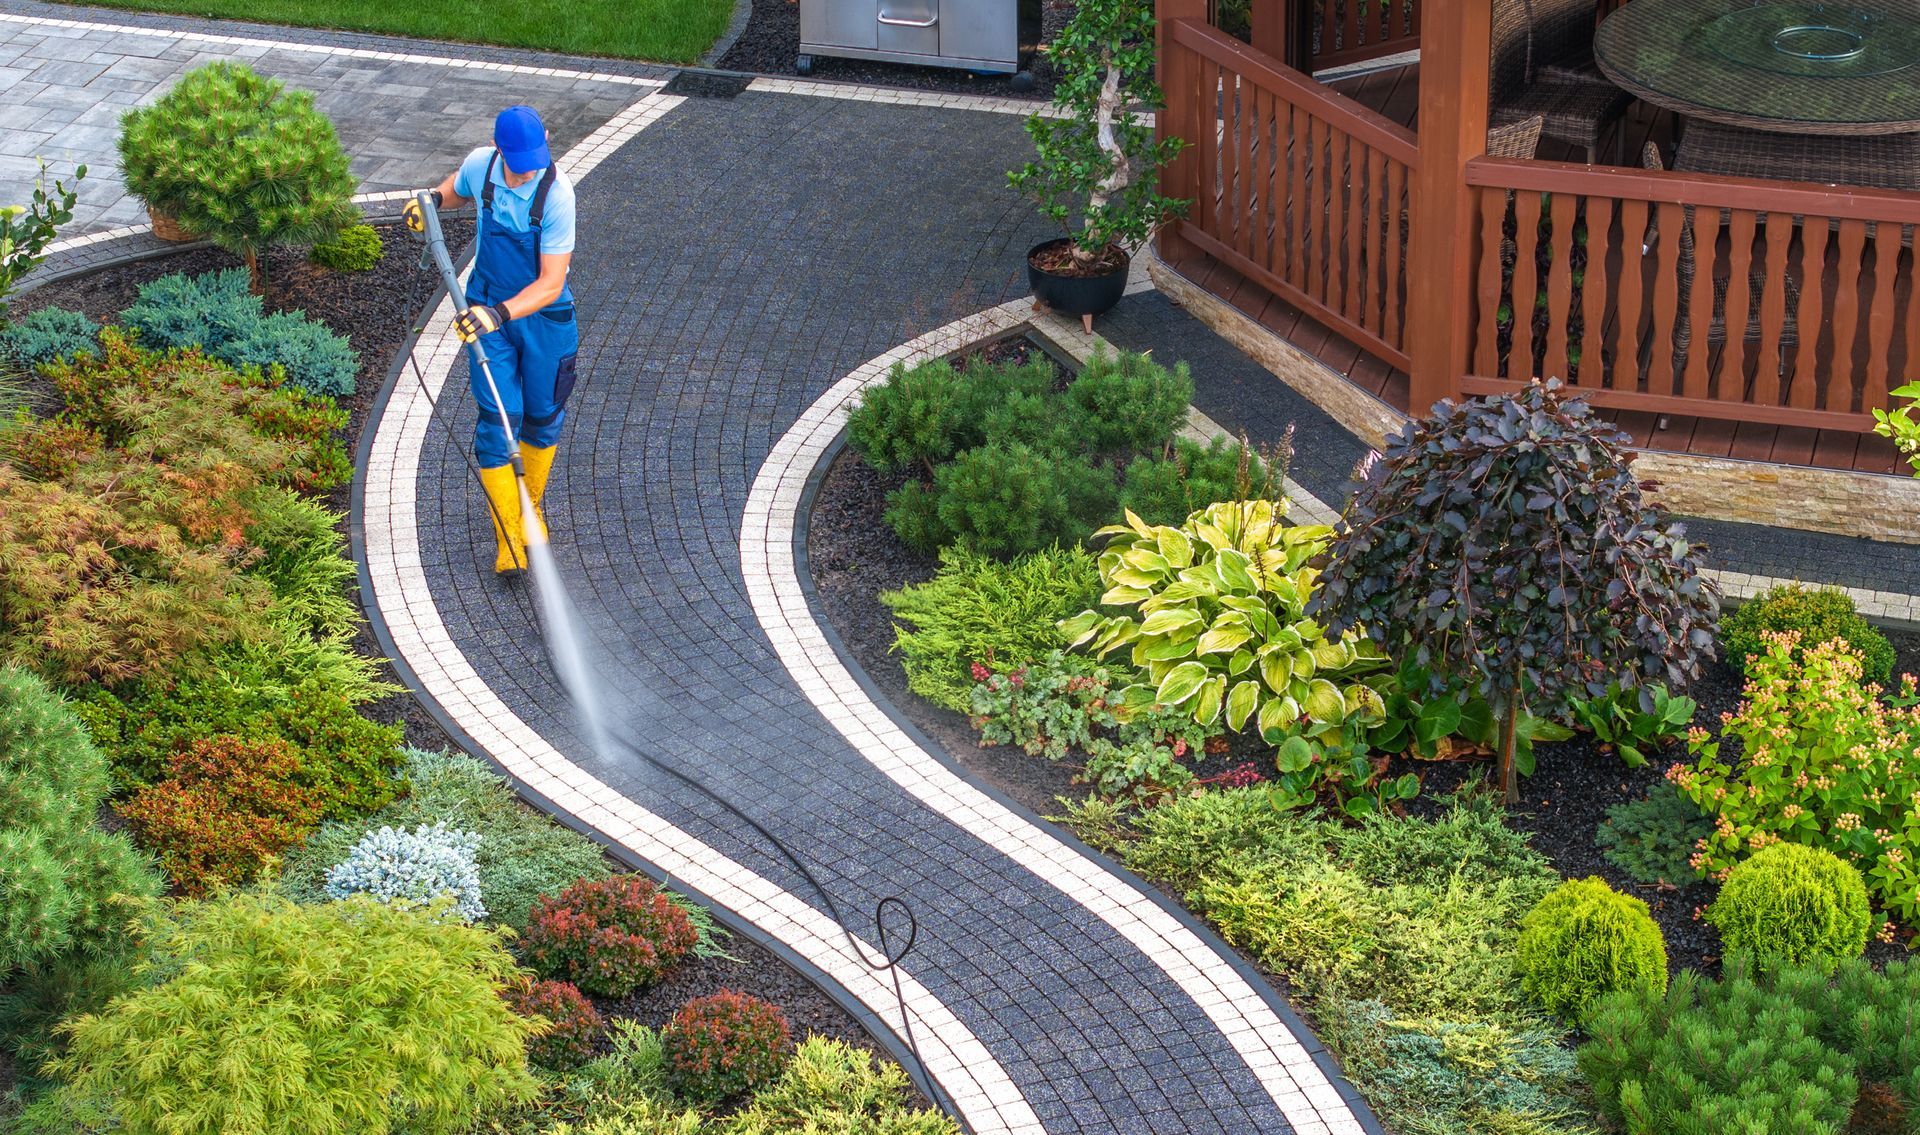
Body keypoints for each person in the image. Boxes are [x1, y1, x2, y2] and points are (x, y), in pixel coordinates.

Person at [404, 105, 578, 577]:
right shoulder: (482, 165)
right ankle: (509, 535)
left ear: (546, 137)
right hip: (486, 310)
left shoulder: (557, 195)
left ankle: (530, 511)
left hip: (542, 318)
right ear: (499, 148)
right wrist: (433, 202)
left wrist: (496, 314)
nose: (527, 170)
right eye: (518, 161)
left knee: (542, 416)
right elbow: (455, 187)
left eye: (535, 157)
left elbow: (549, 284)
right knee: (500, 418)